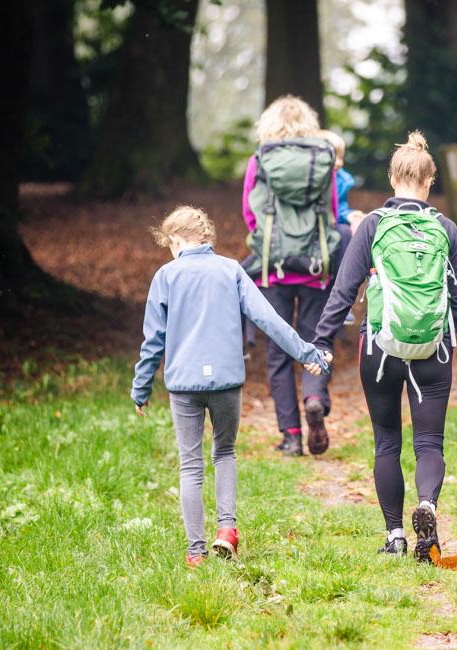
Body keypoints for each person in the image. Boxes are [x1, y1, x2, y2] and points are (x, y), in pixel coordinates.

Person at [313, 131, 457, 562]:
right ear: (430, 182)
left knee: (386, 441)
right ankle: (427, 505)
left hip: (381, 348)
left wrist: (322, 341)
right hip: (434, 349)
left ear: (393, 179)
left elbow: (345, 288)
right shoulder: (446, 229)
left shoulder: (372, 225)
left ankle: (395, 536)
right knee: (430, 442)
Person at [132, 206, 331, 568]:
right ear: (206, 237)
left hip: (184, 385)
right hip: (226, 381)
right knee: (224, 452)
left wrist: (140, 388)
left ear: (175, 240)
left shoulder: (166, 276)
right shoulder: (231, 270)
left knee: (190, 465)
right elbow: (269, 319)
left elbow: (153, 340)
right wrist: (306, 352)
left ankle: (196, 552)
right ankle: (226, 531)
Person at [242, 97, 341, 457]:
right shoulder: (323, 158)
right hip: (317, 266)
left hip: (273, 270)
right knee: (317, 340)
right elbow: (330, 212)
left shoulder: (260, 161)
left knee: (279, 354)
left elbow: (249, 215)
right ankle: (314, 396)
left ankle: (292, 436)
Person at [317, 129, 365, 326]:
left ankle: (343, 296)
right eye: (335, 156)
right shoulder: (314, 178)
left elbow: (340, 207)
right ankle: (339, 296)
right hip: (317, 227)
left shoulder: (341, 179)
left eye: (341, 157)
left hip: (333, 225)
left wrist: (350, 215)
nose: (340, 162)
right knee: (344, 235)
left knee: (352, 233)